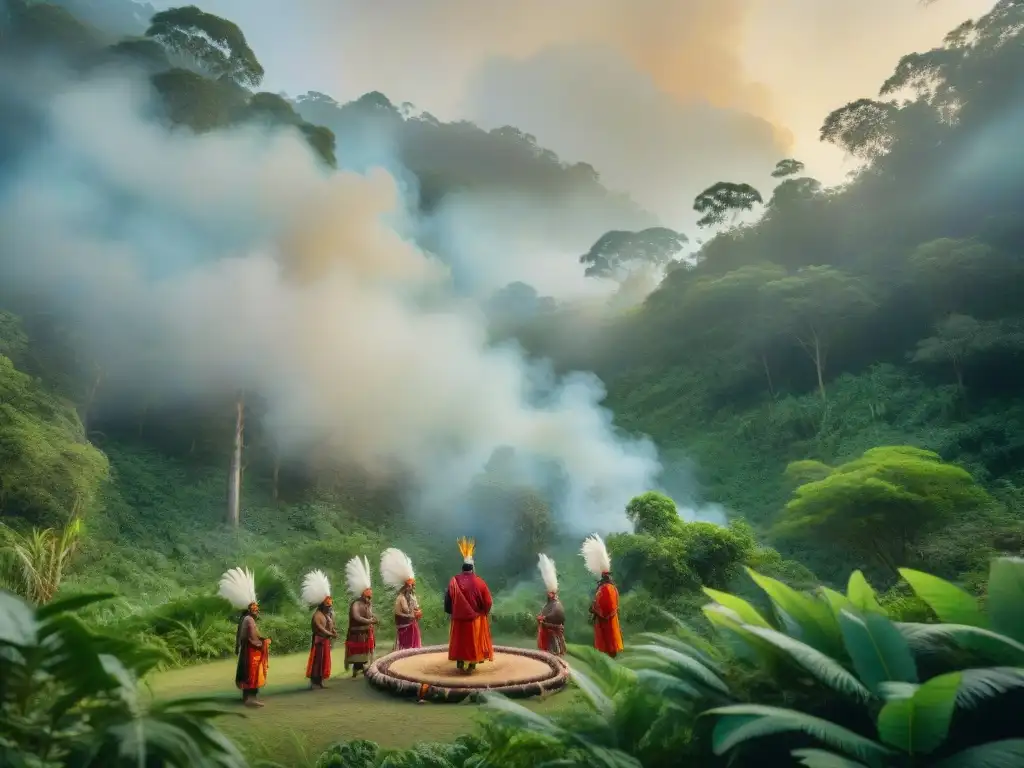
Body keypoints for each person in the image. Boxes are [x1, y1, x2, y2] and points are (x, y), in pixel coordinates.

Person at [219, 566, 271, 707]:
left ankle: (248, 697)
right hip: (250, 653)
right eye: (255, 608)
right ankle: (250, 699)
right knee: (251, 674)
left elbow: (251, 636)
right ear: (249, 609)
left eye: (257, 608)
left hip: (248, 652)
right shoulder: (248, 620)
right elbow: (250, 638)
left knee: (248, 673)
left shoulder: (247, 619)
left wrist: (261, 640)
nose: (257, 610)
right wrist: (262, 644)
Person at [444, 537, 494, 674]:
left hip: (458, 620)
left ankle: (460, 662)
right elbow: (488, 601)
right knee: (473, 642)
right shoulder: (480, 582)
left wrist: (452, 611)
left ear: (463, 568)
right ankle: (472, 665)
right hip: (474, 620)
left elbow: (447, 600)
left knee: (459, 642)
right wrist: (483, 611)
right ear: (472, 568)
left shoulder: (453, 581)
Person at [581, 534, 624, 658]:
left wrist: (595, 609)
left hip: (607, 621)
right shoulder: (609, 587)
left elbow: (607, 605)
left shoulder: (607, 588)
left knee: (608, 643)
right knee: (607, 644)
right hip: (606, 620)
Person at [379, 547, 423, 650]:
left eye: (413, 586)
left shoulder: (412, 597)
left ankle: (414, 651)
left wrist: (417, 612)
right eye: (411, 586)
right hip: (404, 624)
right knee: (412, 628)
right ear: (407, 586)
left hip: (410, 623)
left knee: (414, 627)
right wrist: (410, 616)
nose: (412, 588)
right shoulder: (400, 598)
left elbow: (415, 608)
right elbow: (398, 613)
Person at [301, 569, 337, 689]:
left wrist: (333, 632)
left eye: (330, 606)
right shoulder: (317, 615)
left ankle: (320, 681)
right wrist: (330, 634)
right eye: (327, 606)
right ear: (322, 605)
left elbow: (329, 626)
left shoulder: (327, 615)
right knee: (317, 662)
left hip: (325, 641)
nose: (329, 608)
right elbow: (320, 628)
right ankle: (313, 682)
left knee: (324, 662)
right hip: (318, 642)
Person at [343, 555, 379, 677]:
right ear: (363, 594)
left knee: (364, 652)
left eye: (370, 596)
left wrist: (373, 618)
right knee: (357, 651)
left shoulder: (367, 604)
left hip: (365, 633)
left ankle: (361, 667)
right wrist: (369, 621)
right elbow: (356, 617)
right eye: (367, 596)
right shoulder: (356, 604)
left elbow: (369, 614)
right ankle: (356, 668)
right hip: (356, 633)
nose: (369, 598)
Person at [535, 553, 566, 656]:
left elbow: (555, 614)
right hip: (548, 628)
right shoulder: (549, 604)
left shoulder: (556, 604)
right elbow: (545, 611)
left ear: (553, 593)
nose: (548, 593)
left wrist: (544, 617)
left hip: (553, 629)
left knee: (553, 650)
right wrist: (541, 617)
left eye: (550, 592)